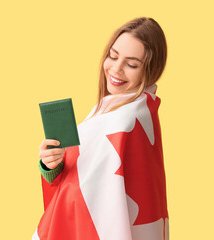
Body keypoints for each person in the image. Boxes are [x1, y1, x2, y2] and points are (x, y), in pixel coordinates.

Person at [33, 17, 169, 240]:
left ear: (151, 70)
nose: (116, 69)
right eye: (113, 56)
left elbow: (87, 196)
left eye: (132, 64)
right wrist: (52, 164)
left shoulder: (125, 120)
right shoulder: (124, 109)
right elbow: (90, 179)